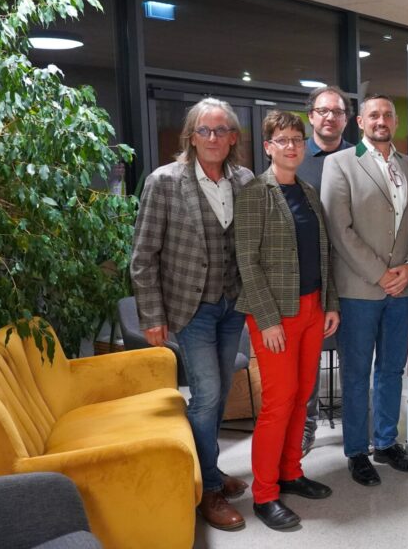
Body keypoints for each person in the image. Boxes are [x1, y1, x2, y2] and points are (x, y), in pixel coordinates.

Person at [130, 97, 254, 531]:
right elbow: (143, 256)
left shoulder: (245, 180)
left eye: (222, 130)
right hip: (189, 308)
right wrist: (151, 314)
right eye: (205, 130)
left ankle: (208, 471)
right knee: (205, 396)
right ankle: (209, 492)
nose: (214, 138)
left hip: (232, 305)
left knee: (217, 396)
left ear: (234, 137)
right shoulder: (164, 182)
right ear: (191, 136)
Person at [235, 111, 340, 530]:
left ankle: (291, 472)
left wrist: (330, 303)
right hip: (275, 317)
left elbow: (323, 252)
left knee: (301, 396)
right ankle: (264, 494)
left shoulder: (309, 192)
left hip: (313, 310)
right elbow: (247, 259)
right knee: (278, 404)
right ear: (268, 147)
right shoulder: (255, 193)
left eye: (297, 138)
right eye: (283, 140)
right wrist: (267, 318)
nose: (292, 146)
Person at [321, 94, 408, 486]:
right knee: (355, 372)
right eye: (373, 115)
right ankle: (356, 450)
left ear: (395, 122)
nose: (381, 121)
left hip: (403, 288)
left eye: (387, 115)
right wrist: (379, 272)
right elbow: (339, 228)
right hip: (359, 288)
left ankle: (386, 442)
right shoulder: (339, 164)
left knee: (390, 369)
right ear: (360, 122)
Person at [297, 85, 353, 456]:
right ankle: (305, 428)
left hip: (353, 274)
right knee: (308, 360)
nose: (330, 117)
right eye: (323, 110)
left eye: (337, 111)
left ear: (346, 119)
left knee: (356, 354)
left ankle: (356, 429)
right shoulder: (293, 156)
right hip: (310, 276)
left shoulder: (360, 157)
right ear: (311, 116)